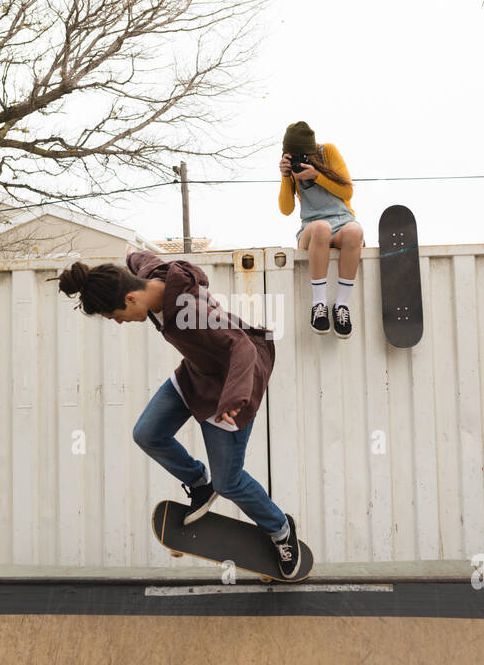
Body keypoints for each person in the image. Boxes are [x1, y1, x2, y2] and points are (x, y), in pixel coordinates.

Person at [57, 248, 305, 579]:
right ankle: (199, 483)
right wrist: (128, 256)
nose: (119, 322)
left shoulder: (191, 313)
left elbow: (242, 346)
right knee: (147, 433)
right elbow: (139, 259)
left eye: (115, 315)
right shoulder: (148, 278)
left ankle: (280, 530)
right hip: (196, 374)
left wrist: (234, 397)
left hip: (231, 384)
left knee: (229, 482)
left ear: (131, 299)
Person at [278, 121, 364, 337]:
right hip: (312, 227)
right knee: (321, 228)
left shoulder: (328, 152)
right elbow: (286, 209)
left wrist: (316, 176)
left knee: (355, 231)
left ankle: (341, 306)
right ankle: (319, 305)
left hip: (342, 221)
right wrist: (285, 176)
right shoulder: (290, 170)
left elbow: (347, 192)